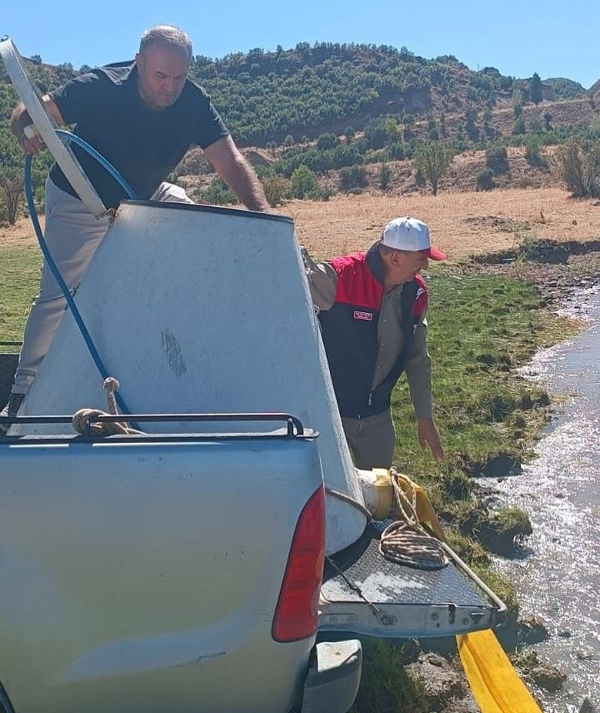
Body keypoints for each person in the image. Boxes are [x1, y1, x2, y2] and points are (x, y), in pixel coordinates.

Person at [1, 25, 269, 429]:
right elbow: (32, 113)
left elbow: (229, 161)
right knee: (60, 292)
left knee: (192, 219)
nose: (170, 86)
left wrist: (265, 220)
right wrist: (26, 129)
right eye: (161, 75)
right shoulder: (101, 85)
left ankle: (178, 353)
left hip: (141, 193)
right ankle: (24, 393)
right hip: (78, 196)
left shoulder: (194, 103)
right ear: (139, 62)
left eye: (179, 77)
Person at [303, 216, 445, 470]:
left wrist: (424, 417)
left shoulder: (416, 295)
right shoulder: (341, 277)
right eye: (420, 258)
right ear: (395, 258)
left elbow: (417, 359)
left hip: (378, 419)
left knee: (380, 498)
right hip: (330, 416)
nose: (424, 265)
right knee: (334, 498)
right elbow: (293, 284)